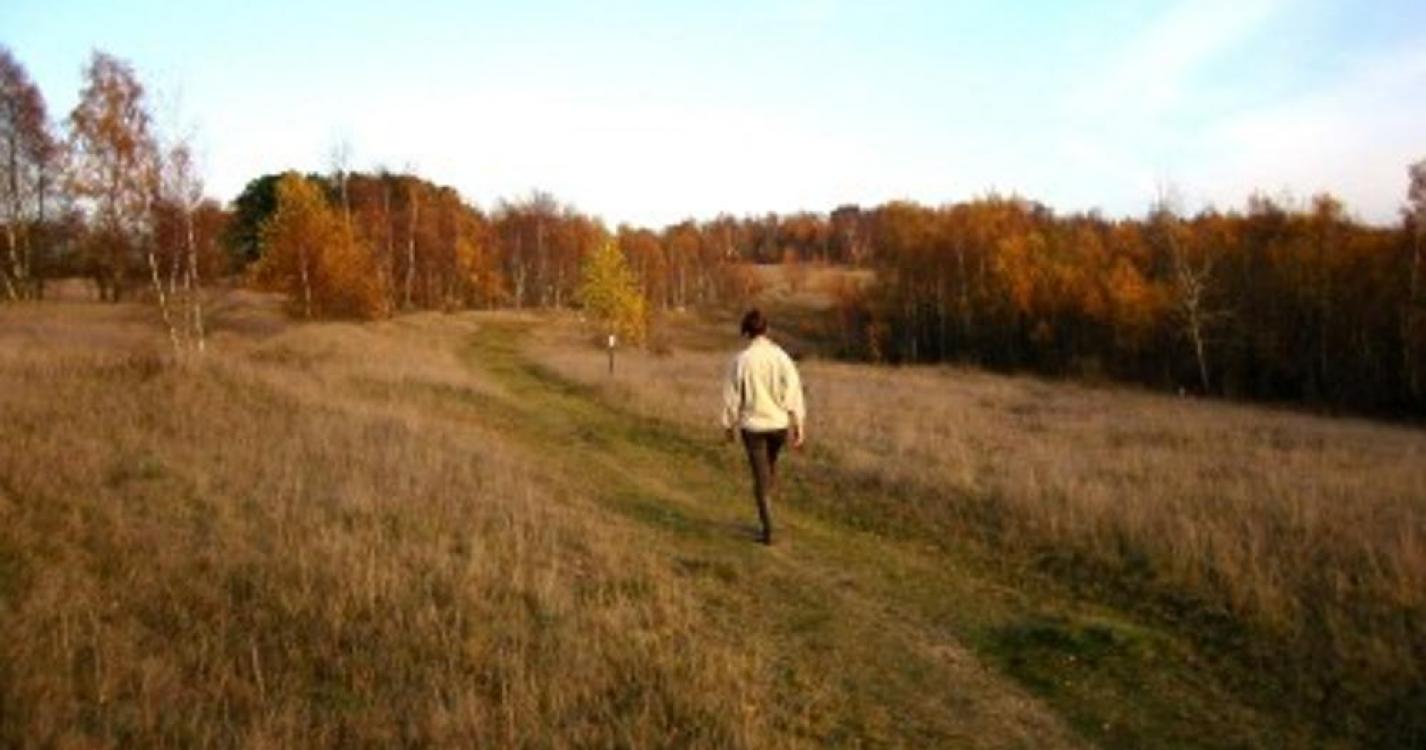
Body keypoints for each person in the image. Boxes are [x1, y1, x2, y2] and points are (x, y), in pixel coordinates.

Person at [721, 309, 806, 545]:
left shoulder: (741, 360)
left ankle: (769, 530)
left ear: (746, 332)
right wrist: (799, 424)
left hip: (753, 427)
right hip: (779, 425)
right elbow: (794, 391)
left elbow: (731, 396)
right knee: (769, 469)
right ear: (766, 329)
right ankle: (769, 512)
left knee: (760, 477)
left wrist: (728, 425)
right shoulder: (781, 357)